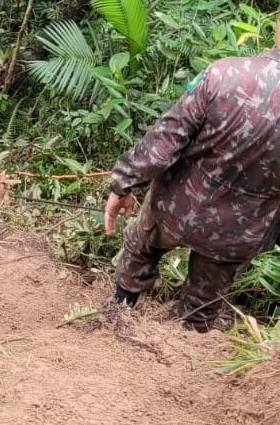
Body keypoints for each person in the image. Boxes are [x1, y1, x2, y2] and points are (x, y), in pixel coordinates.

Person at [104, 19, 280, 331]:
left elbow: (166, 138)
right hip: (237, 233)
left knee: (140, 250)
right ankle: (178, 350)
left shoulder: (226, 73)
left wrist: (123, 182)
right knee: (200, 305)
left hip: (176, 206)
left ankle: (117, 317)